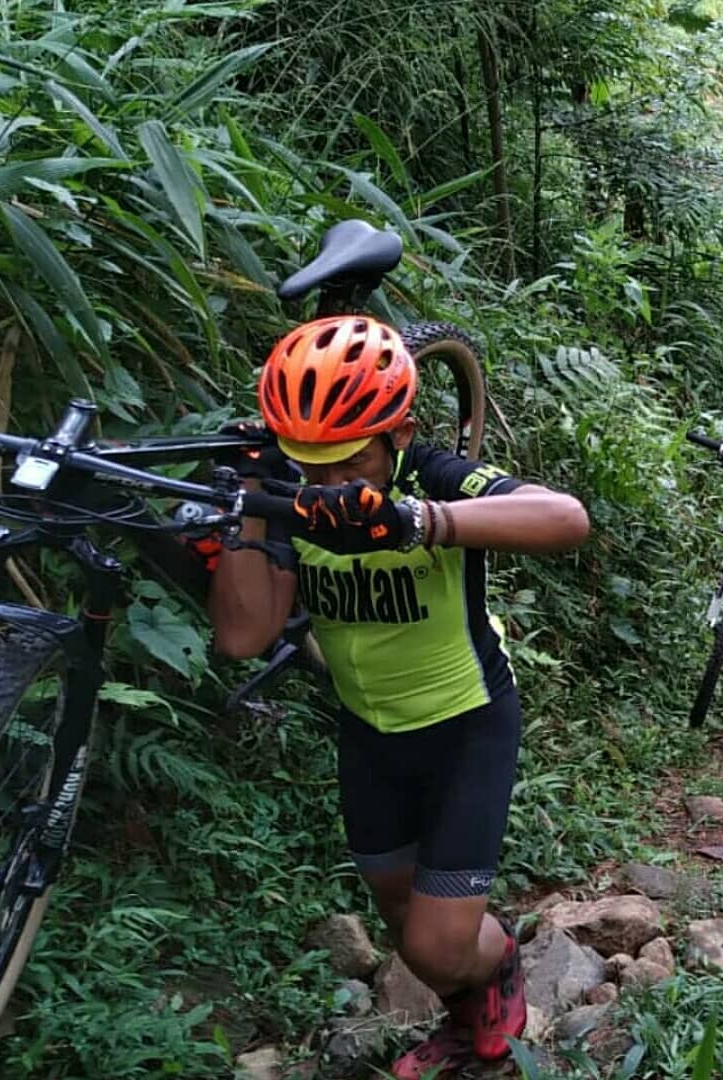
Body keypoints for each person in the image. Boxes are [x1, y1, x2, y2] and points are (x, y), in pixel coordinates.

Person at [208, 315, 590, 1078]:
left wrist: (421, 521)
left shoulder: (429, 473)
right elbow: (244, 635)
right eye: (307, 467)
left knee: (435, 946)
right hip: (370, 734)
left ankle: (500, 961)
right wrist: (257, 497)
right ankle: (470, 1021)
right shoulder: (293, 492)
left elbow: (567, 519)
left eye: (347, 466)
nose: (326, 488)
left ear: (398, 434)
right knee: (401, 921)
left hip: (466, 726)